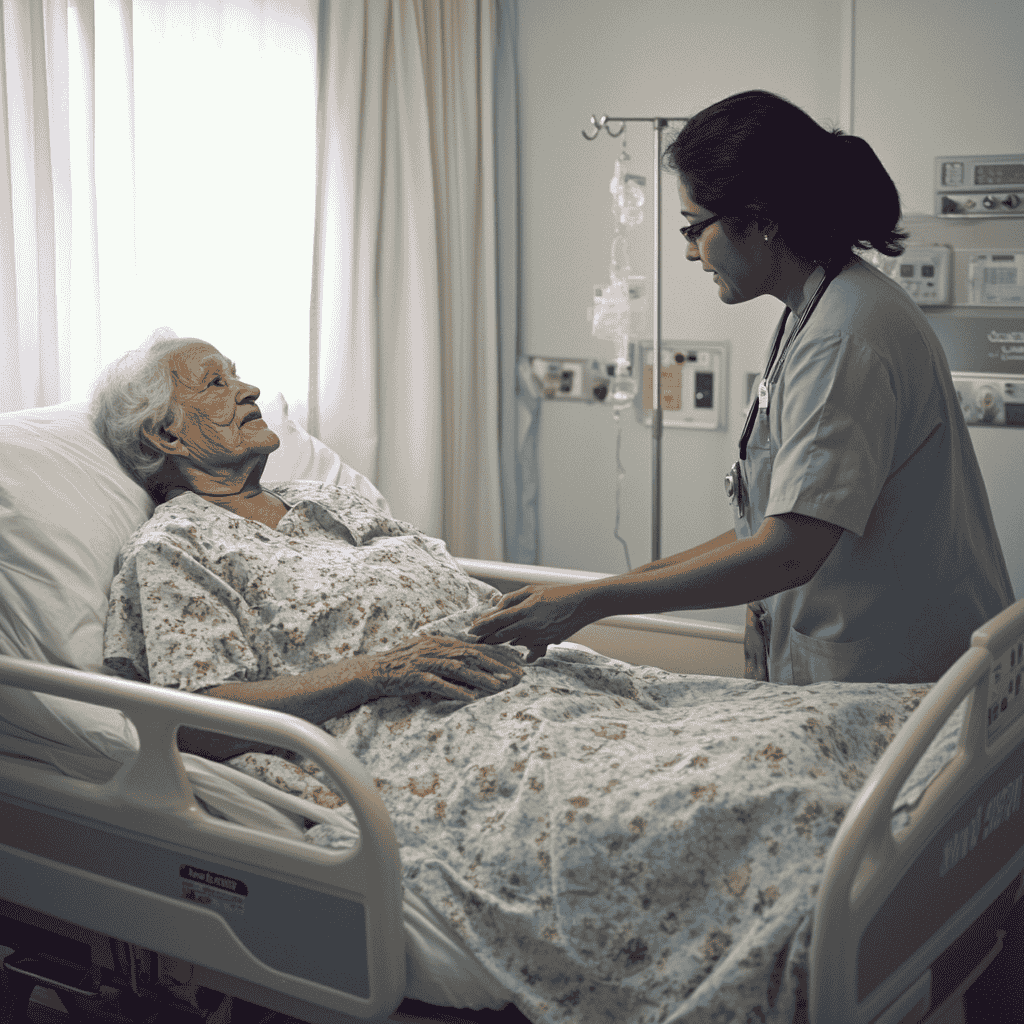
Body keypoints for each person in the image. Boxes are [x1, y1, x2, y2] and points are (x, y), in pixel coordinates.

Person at [471, 89, 1014, 686]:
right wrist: (599, 591)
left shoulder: (843, 336)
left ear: (760, 222)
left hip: (903, 680)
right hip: (878, 666)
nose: (686, 251)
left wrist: (592, 604)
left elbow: (789, 549)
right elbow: (770, 529)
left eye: (694, 227)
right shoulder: (816, 308)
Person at [91, 333, 525, 761]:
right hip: (430, 738)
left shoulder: (324, 497)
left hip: (522, 685)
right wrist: (379, 672)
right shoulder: (174, 550)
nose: (250, 390)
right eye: (216, 383)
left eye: (236, 377)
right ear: (167, 436)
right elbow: (200, 720)